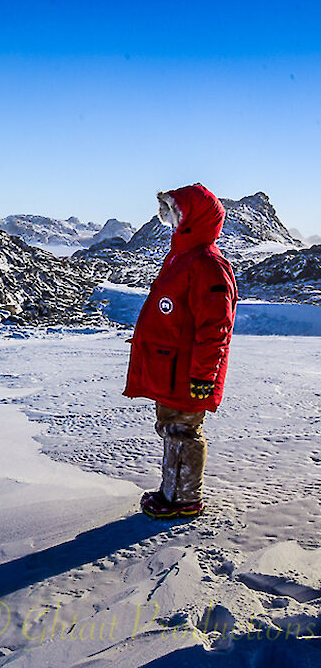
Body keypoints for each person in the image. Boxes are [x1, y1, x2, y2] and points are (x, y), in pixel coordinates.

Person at [124, 184, 237, 520]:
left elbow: (216, 329)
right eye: (168, 213)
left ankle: (185, 498)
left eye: (175, 213)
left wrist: (204, 376)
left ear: (195, 218)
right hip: (169, 368)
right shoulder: (182, 257)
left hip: (188, 371)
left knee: (184, 431)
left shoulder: (207, 265)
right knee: (171, 428)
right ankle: (171, 492)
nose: (170, 220)